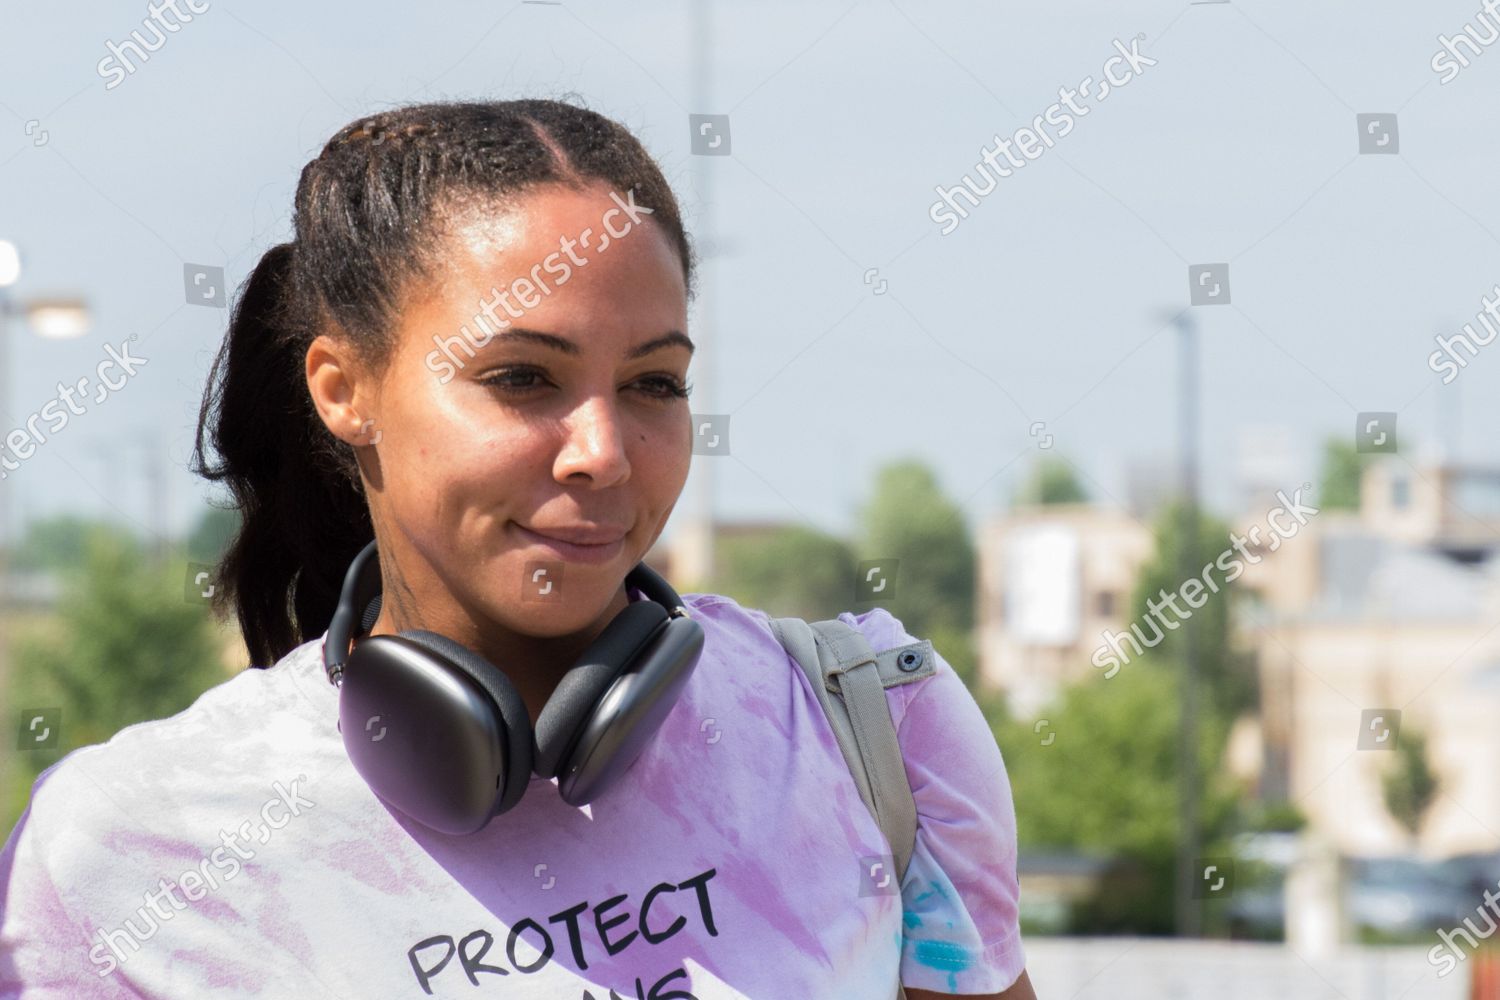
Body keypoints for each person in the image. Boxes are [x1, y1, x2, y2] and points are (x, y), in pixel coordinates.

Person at [0, 98, 1035, 999]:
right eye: (523, 379)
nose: (603, 453)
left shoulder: (875, 730)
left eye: (654, 383)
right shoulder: (121, 857)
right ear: (342, 388)